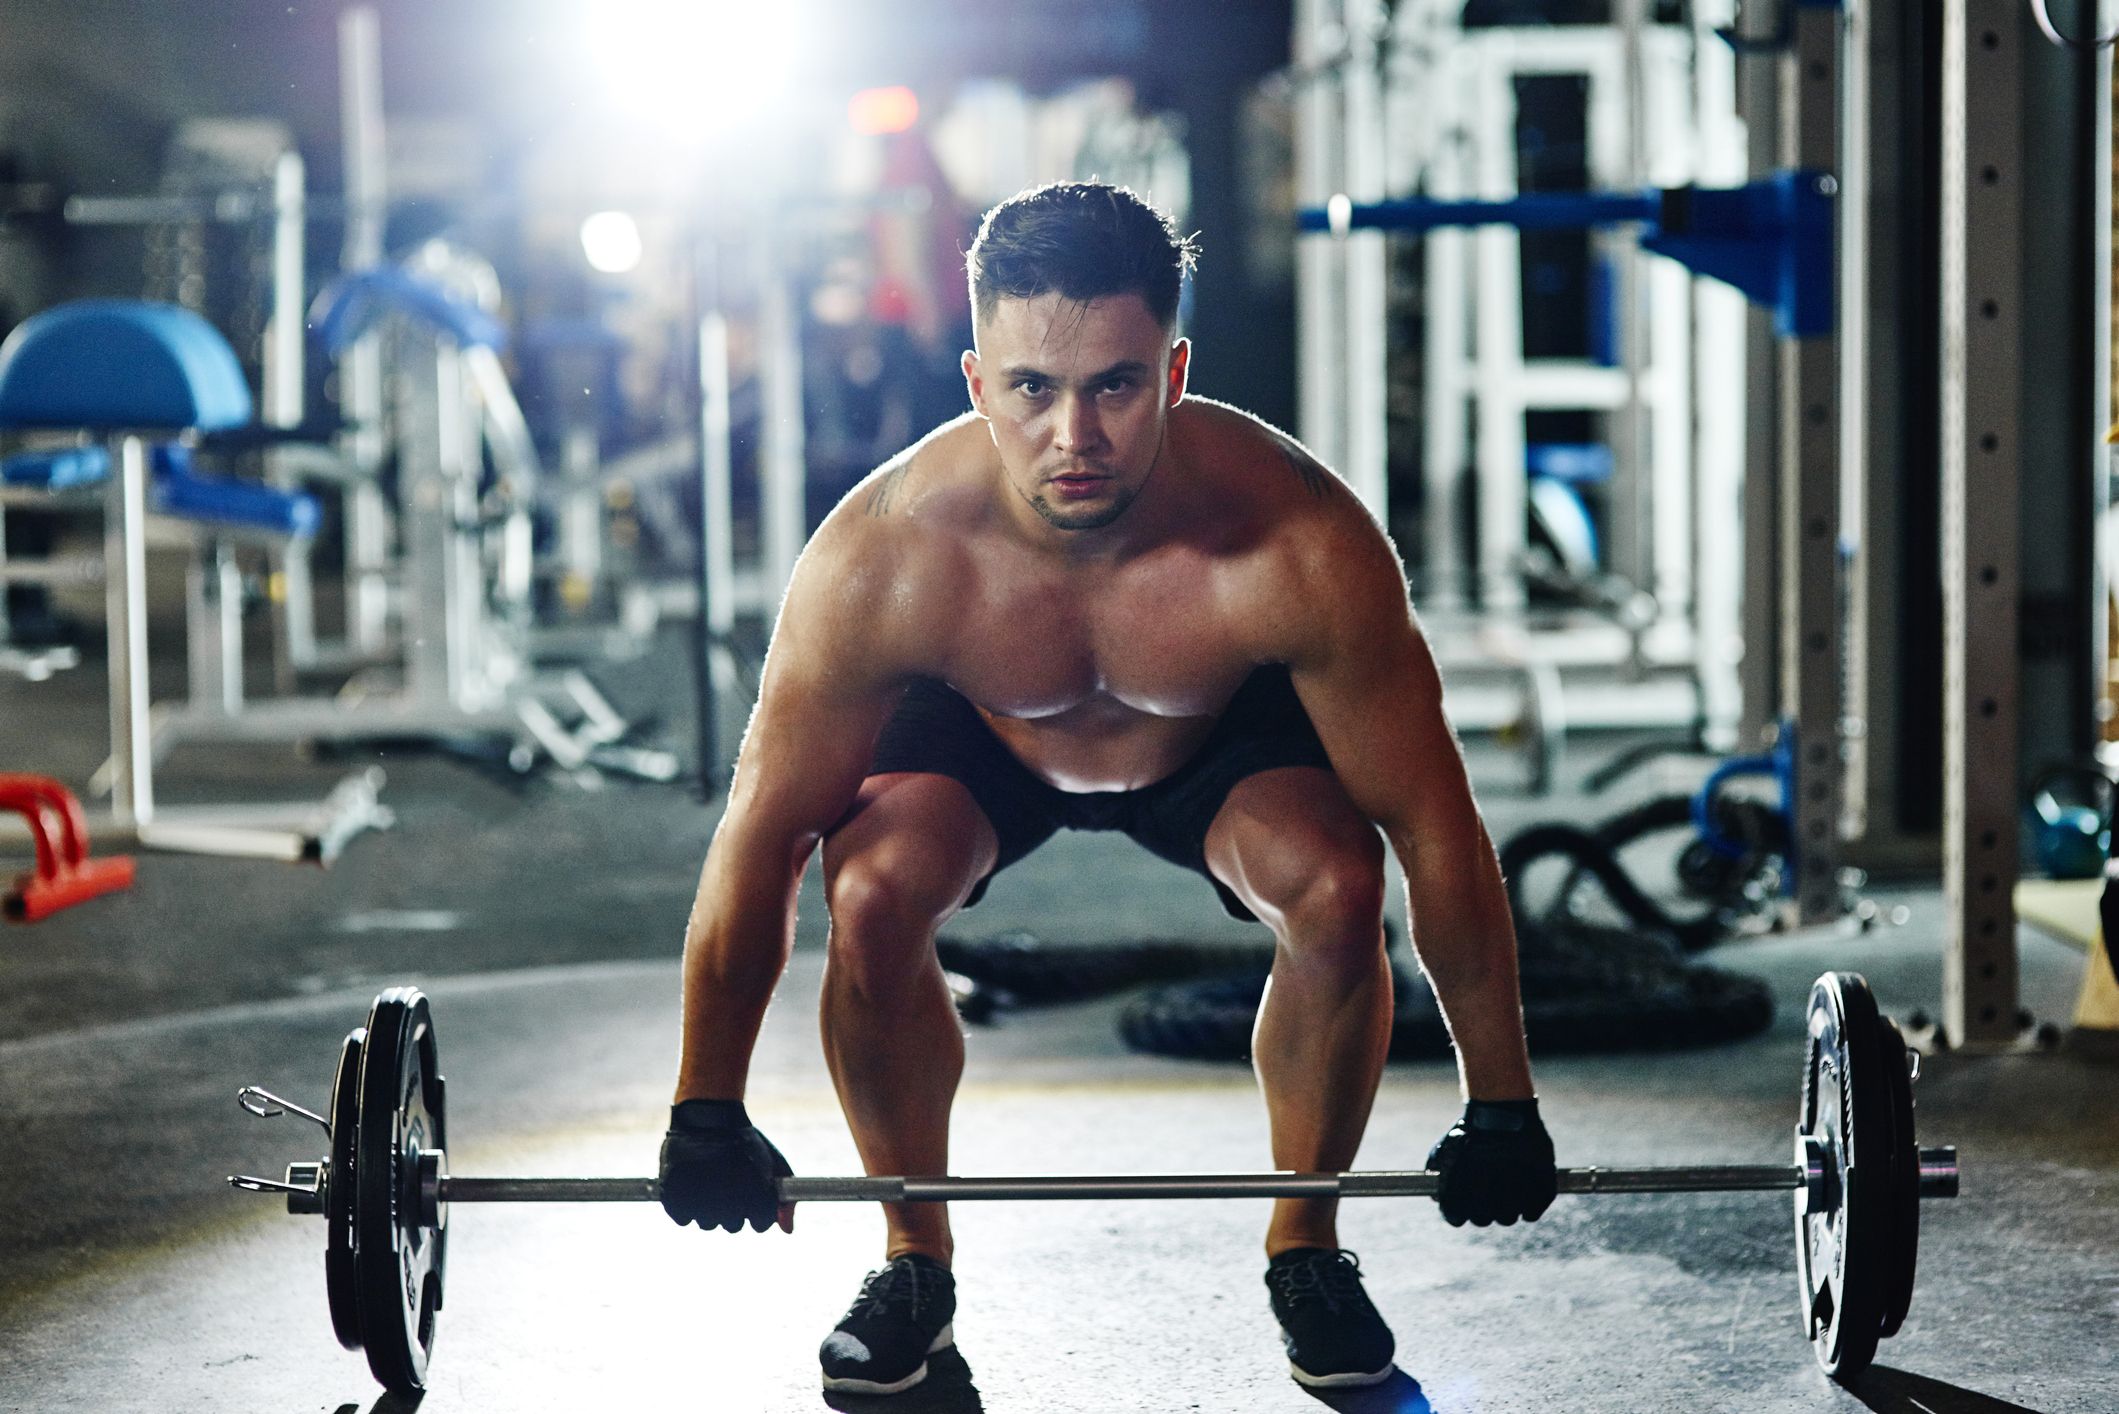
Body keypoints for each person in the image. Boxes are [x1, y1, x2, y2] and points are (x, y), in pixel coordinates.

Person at [658, 180, 1557, 1395]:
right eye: (1031, 389)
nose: (1071, 436)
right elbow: (759, 836)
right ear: (977, 383)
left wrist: (1499, 1097)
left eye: (1113, 387)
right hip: (982, 739)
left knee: (1342, 888)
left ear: (1173, 375)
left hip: (1211, 739)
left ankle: (1307, 1246)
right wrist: (705, 1100)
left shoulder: (1297, 540)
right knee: (867, 892)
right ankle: (913, 1260)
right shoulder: (884, 557)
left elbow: (1436, 829)